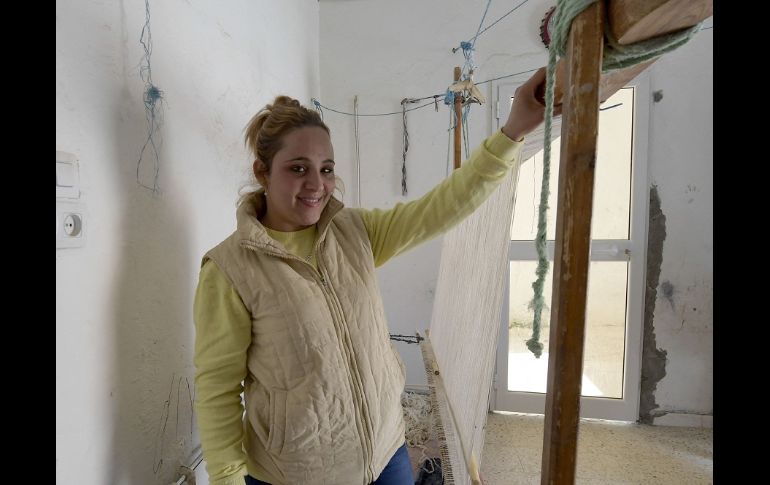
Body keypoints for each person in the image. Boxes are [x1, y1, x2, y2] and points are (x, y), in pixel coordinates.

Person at [193, 67, 554, 485]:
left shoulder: (355, 232)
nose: (317, 184)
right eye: (297, 168)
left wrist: (512, 131)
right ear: (262, 171)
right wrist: (226, 478)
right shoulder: (230, 269)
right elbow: (217, 390)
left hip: (386, 453)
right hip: (295, 474)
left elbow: (444, 206)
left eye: (326, 169)